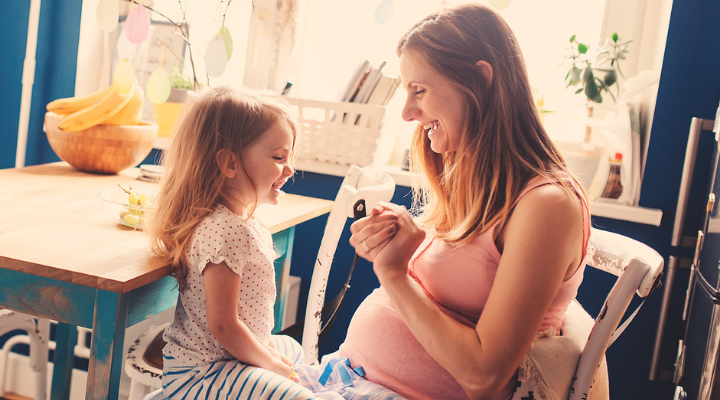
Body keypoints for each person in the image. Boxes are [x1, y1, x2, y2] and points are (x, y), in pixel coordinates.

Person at [339, 4, 591, 400]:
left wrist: (394, 274)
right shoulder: (471, 181)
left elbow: (483, 377)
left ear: (480, 79)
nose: (407, 113)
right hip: (350, 379)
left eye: (419, 90)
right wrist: (405, 240)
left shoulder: (547, 206)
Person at [146, 86, 316, 400]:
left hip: (226, 361)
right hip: (202, 374)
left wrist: (271, 361)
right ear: (230, 164)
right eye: (279, 157)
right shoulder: (225, 231)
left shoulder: (242, 224)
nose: (290, 169)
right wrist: (271, 366)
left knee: (291, 349)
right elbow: (224, 326)